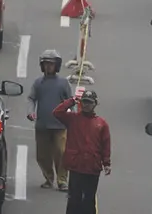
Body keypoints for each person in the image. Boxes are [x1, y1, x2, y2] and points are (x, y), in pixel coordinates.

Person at [54, 90, 110, 214]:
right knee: (74, 199)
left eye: (90, 102)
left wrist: (106, 163)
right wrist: (72, 100)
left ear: (95, 104)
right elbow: (57, 112)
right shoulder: (72, 119)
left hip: (92, 167)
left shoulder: (101, 124)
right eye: (84, 102)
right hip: (76, 167)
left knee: (89, 201)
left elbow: (105, 144)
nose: (86, 105)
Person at [28, 50, 74, 191]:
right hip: (42, 125)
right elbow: (31, 98)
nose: (48, 67)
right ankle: (48, 178)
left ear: (57, 66)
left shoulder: (63, 83)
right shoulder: (38, 83)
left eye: (51, 64)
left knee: (61, 152)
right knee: (42, 155)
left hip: (60, 125)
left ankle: (62, 181)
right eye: (46, 64)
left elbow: (71, 101)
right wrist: (31, 111)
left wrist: (73, 116)